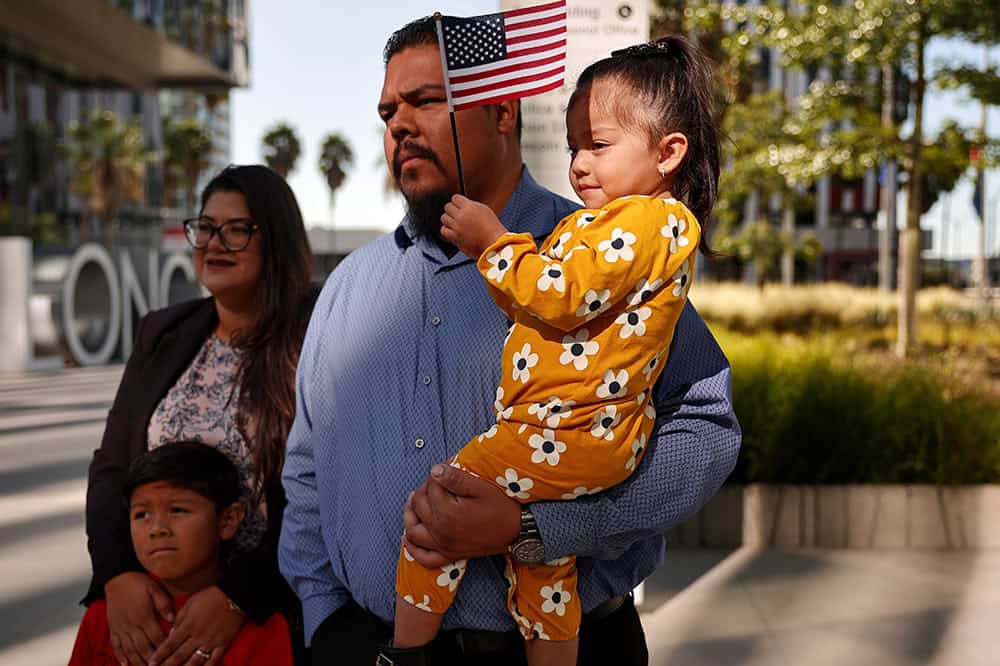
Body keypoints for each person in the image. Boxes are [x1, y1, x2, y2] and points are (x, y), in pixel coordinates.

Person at [280, 16, 740, 666]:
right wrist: (325, 623)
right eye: (388, 111)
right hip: (374, 645)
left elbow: (706, 430)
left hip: (570, 646)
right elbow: (306, 472)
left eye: (427, 101)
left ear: (502, 108)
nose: (399, 126)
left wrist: (540, 529)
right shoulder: (350, 284)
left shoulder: (605, 253)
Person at [390, 35, 716, 666]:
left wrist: (494, 243)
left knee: (440, 512)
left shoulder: (643, 223)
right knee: (544, 568)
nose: (580, 164)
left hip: (562, 432)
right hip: (570, 436)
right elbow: (538, 305)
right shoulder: (607, 225)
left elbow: (561, 296)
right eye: (573, 147)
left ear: (669, 151)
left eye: (598, 144)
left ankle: (404, 653)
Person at [84, 165, 316, 666]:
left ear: (274, 239)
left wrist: (238, 596)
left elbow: (322, 495)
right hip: (159, 605)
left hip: (268, 613)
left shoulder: (318, 335)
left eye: (237, 229)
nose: (215, 242)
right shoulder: (162, 332)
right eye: (205, 227)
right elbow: (111, 467)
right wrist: (117, 575)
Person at [71, 442, 294, 665]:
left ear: (228, 520)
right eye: (141, 514)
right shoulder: (108, 615)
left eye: (178, 510)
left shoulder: (262, 626)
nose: (157, 529)